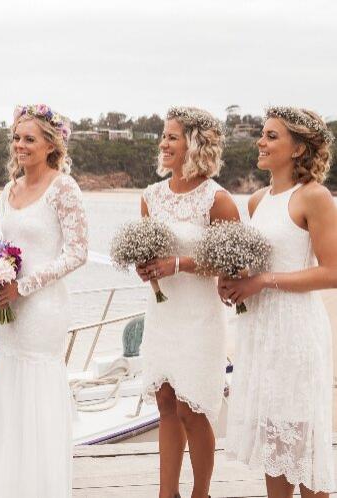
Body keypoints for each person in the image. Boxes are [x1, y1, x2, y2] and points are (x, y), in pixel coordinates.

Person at [0, 104, 88, 498]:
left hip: (43, 309)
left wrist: (25, 286)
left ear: (51, 146)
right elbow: (4, 246)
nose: (20, 145)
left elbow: (78, 253)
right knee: (11, 389)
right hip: (10, 306)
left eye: (29, 139)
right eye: (17, 137)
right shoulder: (10, 189)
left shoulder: (64, 188)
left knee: (36, 392)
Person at [219, 107, 337, 498]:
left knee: (303, 450)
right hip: (260, 331)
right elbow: (256, 264)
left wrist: (262, 281)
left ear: (299, 148)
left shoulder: (314, 197)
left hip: (296, 331)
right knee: (274, 446)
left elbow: (333, 272)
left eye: (272, 136)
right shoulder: (256, 201)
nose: (261, 142)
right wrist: (232, 282)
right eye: (262, 134)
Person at [138, 106, 239, 498]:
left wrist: (179, 263)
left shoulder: (218, 199)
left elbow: (234, 259)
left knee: (191, 407)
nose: (163, 143)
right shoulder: (150, 197)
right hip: (163, 313)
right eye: (163, 136)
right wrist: (146, 270)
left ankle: (201, 493)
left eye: (172, 137)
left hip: (199, 316)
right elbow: (148, 251)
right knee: (165, 401)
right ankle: (167, 493)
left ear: (194, 144)